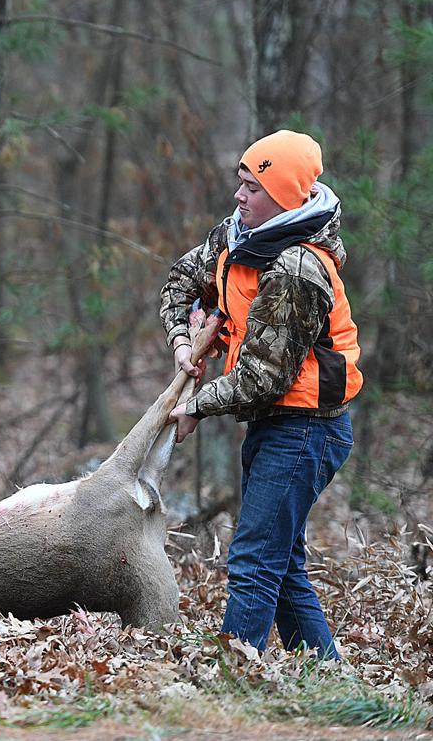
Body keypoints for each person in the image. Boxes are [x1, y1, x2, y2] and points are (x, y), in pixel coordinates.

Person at [161, 129, 362, 660]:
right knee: (282, 562)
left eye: (253, 187)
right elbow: (180, 282)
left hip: (307, 429)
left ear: (286, 196)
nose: (239, 195)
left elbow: (262, 378)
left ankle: (236, 676)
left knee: (253, 558)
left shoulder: (297, 269)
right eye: (241, 182)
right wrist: (184, 342)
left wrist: (196, 406)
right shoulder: (236, 236)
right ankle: (324, 676)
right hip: (276, 423)